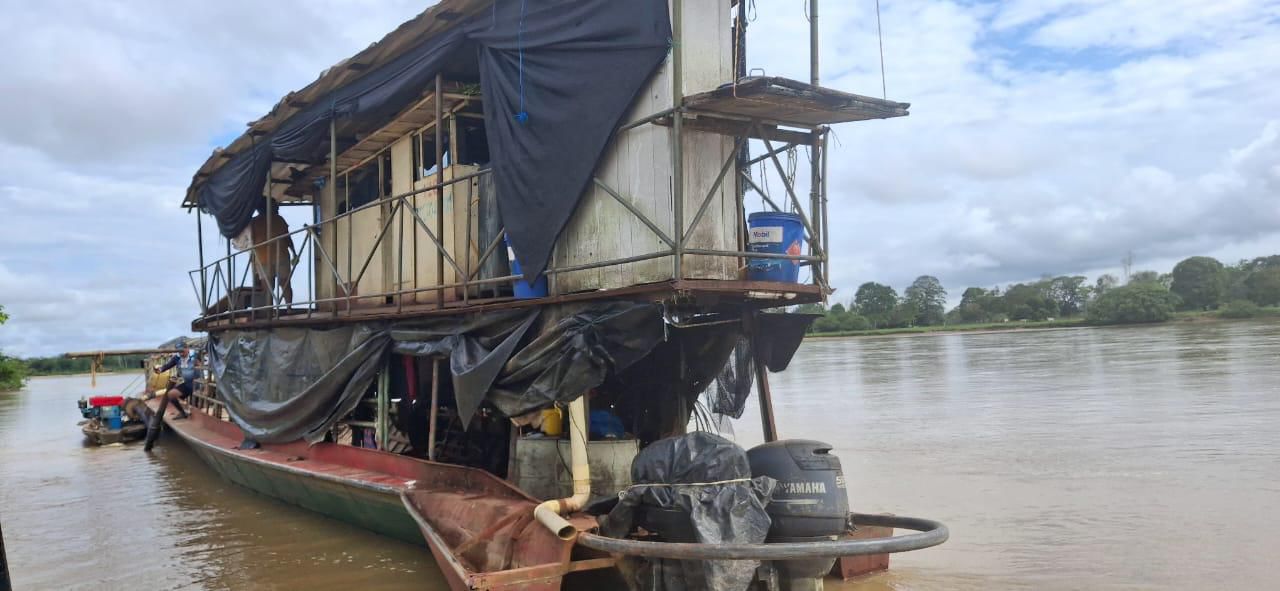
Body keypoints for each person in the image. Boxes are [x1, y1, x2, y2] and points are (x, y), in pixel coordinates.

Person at [248, 199, 295, 305]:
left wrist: (252, 257)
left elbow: (251, 241)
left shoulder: (253, 222)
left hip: (264, 258)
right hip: (277, 256)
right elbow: (288, 238)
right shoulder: (278, 219)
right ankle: (288, 308)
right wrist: (294, 252)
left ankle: (270, 310)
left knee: (269, 287)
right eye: (275, 206)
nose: (277, 208)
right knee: (284, 284)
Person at [153, 346, 198, 420]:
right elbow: (167, 366)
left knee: (197, 403)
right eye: (179, 352)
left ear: (187, 349)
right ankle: (183, 413)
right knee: (171, 394)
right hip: (187, 384)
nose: (181, 354)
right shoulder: (177, 358)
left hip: (198, 383)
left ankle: (198, 416)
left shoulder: (195, 355)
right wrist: (160, 369)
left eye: (182, 351)